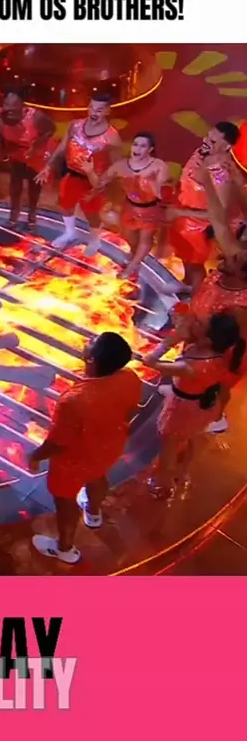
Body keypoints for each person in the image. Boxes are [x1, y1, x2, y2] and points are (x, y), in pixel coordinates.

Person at [29, 333, 142, 564]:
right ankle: (93, 513)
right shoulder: (130, 378)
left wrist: (36, 456)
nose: (87, 341)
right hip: (109, 446)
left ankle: (65, 548)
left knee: (65, 501)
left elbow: (58, 443)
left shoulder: (74, 400)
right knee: (98, 476)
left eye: (91, 342)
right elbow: (131, 410)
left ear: (91, 359)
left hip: (73, 461)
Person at [155, 162, 247, 433]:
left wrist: (216, 366)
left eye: (234, 259)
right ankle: (183, 390)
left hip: (219, 352)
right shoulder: (229, 271)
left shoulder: (240, 307)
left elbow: (233, 347)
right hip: (200, 335)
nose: (224, 255)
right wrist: (208, 182)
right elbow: (219, 221)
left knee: (218, 383)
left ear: (242, 274)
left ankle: (215, 416)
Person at [142, 312, 245, 498]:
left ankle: (164, 484)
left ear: (207, 340)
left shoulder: (190, 367)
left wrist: (172, 340)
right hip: (202, 403)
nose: (196, 324)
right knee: (191, 435)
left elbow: (150, 362)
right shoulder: (220, 354)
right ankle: (184, 471)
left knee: (168, 446)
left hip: (182, 408)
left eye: (201, 325)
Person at [36, 94, 122, 254]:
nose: (94, 113)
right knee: (65, 204)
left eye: (99, 110)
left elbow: (116, 167)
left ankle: (95, 241)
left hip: (93, 181)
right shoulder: (75, 125)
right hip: (72, 174)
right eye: (91, 108)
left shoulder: (112, 138)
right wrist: (48, 166)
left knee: (91, 213)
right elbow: (62, 148)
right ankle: (70, 232)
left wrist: (98, 188)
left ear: (107, 111)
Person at [168, 122, 241, 294]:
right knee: (185, 260)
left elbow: (220, 215)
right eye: (207, 136)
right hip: (181, 218)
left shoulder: (222, 175)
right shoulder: (201, 153)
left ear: (227, 147)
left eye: (213, 141)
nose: (206, 141)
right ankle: (186, 284)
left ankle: (195, 298)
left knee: (195, 267)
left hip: (198, 228)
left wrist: (180, 212)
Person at [97, 132, 169, 280]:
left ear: (150, 149)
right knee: (128, 237)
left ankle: (132, 267)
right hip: (130, 207)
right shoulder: (122, 165)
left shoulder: (159, 166)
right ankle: (136, 256)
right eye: (135, 144)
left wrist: (151, 182)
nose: (137, 148)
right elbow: (102, 180)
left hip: (150, 209)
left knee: (145, 240)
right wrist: (92, 174)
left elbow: (160, 194)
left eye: (143, 146)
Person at [0, 88, 57, 230]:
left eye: (14, 105)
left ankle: (32, 214)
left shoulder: (36, 117)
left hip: (36, 150)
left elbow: (51, 130)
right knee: (15, 183)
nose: (9, 109)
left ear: (22, 105)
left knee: (34, 184)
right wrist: (3, 150)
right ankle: (14, 215)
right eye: (6, 104)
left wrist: (35, 146)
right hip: (17, 151)